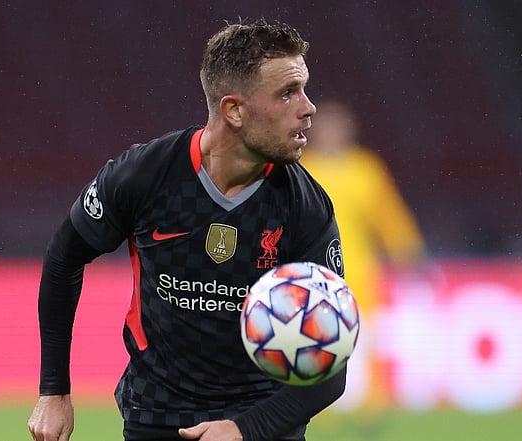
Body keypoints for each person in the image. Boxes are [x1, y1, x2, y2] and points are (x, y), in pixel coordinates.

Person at [28, 20, 347, 441]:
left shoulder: (305, 205)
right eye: (288, 93)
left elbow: (332, 369)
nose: (309, 108)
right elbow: (63, 256)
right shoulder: (145, 175)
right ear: (234, 110)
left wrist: (243, 429)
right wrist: (54, 390)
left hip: (261, 423)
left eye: (304, 89)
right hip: (156, 415)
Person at [299, 100, 425, 418]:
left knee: (367, 337)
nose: (331, 134)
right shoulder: (301, 167)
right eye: (325, 127)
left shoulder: (365, 169)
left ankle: (373, 403)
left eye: (337, 127)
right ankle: (320, 409)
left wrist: (406, 249)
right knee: (315, 338)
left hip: (360, 269)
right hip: (313, 271)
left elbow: (387, 215)